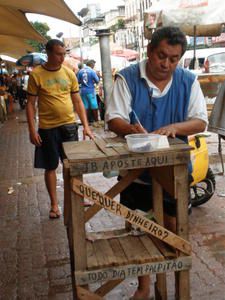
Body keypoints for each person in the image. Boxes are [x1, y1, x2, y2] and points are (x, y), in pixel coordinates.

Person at [105, 26, 208, 300]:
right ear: (150, 52)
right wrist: (131, 130)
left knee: (174, 229)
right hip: (135, 172)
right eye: (162, 56)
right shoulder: (126, 78)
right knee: (139, 229)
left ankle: (177, 285)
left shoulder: (188, 80)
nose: (167, 64)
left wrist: (174, 127)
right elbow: (113, 118)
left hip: (173, 173)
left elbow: (200, 120)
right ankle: (144, 286)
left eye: (174, 58)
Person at [26, 39, 93, 219]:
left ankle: (79, 195)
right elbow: (31, 105)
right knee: (51, 166)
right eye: (58, 54)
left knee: (73, 165)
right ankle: (55, 205)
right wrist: (32, 130)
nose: (62, 57)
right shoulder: (36, 75)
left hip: (69, 126)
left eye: (64, 53)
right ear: (48, 53)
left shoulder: (69, 73)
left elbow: (77, 101)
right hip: (47, 128)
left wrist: (86, 126)